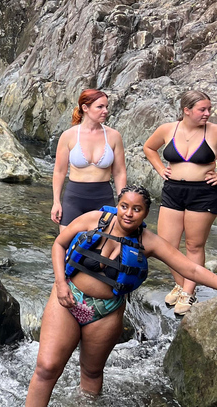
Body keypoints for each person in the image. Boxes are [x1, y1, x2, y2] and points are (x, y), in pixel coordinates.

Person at [26, 185, 217, 406]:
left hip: (105, 314)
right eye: (124, 206)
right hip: (68, 298)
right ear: (118, 205)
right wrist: (60, 283)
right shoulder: (94, 219)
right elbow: (59, 244)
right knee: (46, 368)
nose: (128, 213)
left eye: (137, 209)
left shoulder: (149, 241)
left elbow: (191, 270)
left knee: (91, 373)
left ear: (146, 214)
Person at [143, 90, 217, 314]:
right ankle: (180, 284)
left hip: (203, 192)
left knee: (194, 245)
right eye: (202, 109)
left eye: (209, 109)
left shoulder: (213, 131)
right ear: (186, 110)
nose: (208, 113)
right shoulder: (168, 129)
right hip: (173, 190)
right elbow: (149, 147)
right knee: (166, 245)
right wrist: (159, 168)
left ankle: (188, 292)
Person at [51, 89, 127, 229]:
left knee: (104, 247)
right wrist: (56, 202)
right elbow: (59, 172)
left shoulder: (113, 136)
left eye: (106, 107)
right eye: (100, 107)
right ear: (85, 108)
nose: (105, 111)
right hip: (74, 199)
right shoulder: (69, 135)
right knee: (69, 247)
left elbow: (119, 172)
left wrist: (123, 201)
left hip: (103, 198)